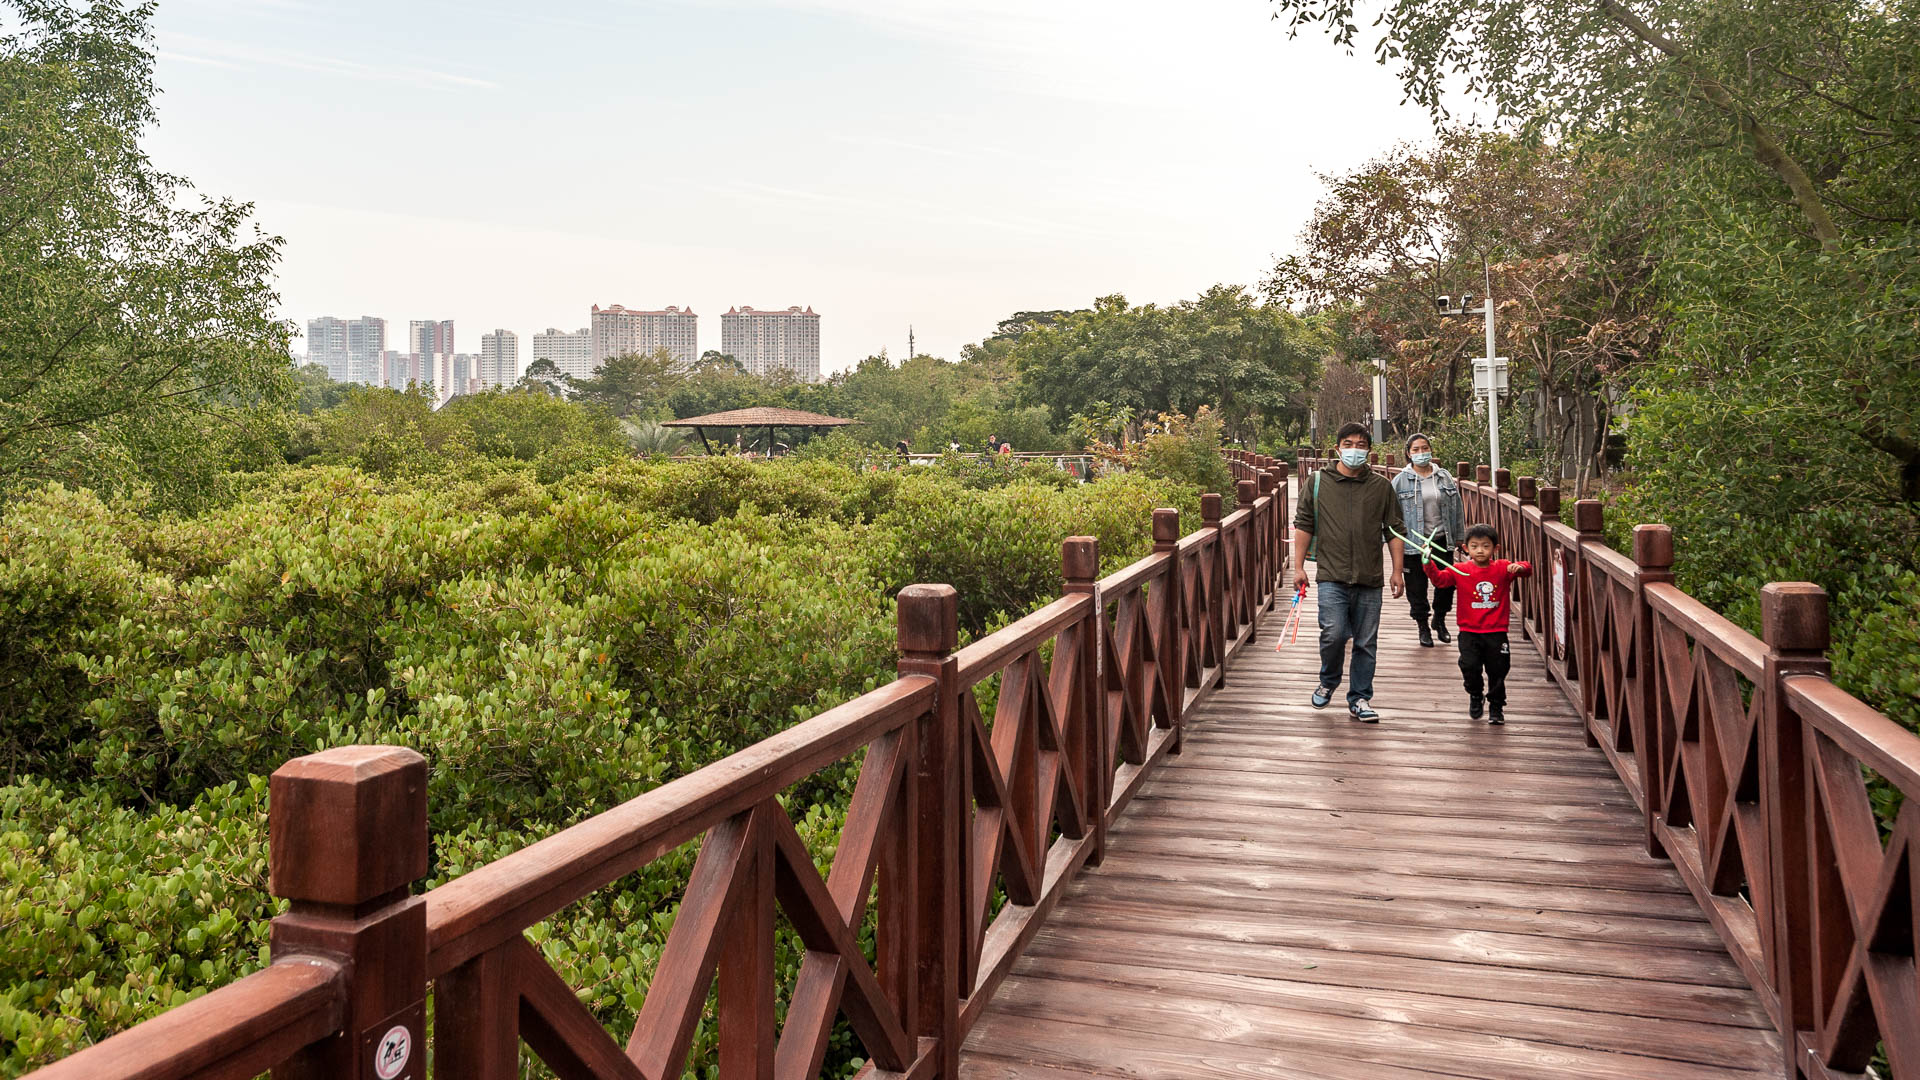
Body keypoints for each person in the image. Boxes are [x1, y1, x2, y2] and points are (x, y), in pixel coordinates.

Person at [1292, 423, 1405, 722]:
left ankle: (1360, 699)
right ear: (1338, 447)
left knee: (1366, 641)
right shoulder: (1318, 482)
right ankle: (1328, 681)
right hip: (1331, 574)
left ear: (1369, 449)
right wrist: (1298, 566)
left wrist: (1397, 571)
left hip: (1369, 576)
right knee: (1334, 633)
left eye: (1361, 444)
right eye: (1349, 443)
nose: (1355, 449)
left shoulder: (1381, 486)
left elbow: (1394, 530)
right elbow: (1303, 524)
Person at [1421, 523, 1532, 725]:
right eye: (1474, 546)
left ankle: (1496, 707)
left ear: (1495, 549)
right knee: (1469, 666)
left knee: (1498, 669)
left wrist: (1520, 567)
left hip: (1496, 631)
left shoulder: (1502, 568)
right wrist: (1428, 563)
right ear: (1466, 548)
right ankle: (1475, 694)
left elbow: (1527, 570)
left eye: (1485, 546)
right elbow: (1440, 580)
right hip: (1469, 630)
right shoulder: (1460, 570)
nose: (1480, 550)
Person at [1391, 433, 1465, 648]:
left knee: (1446, 583)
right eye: (1416, 449)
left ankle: (1439, 620)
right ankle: (1422, 626)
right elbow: (1392, 514)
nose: (1421, 453)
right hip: (1413, 542)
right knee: (1416, 586)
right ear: (1408, 453)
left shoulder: (1444, 477)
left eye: (1425, 448)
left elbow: (1456, 508)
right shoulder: (1400, 481)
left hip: (1442, 539)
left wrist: (1460, 537)